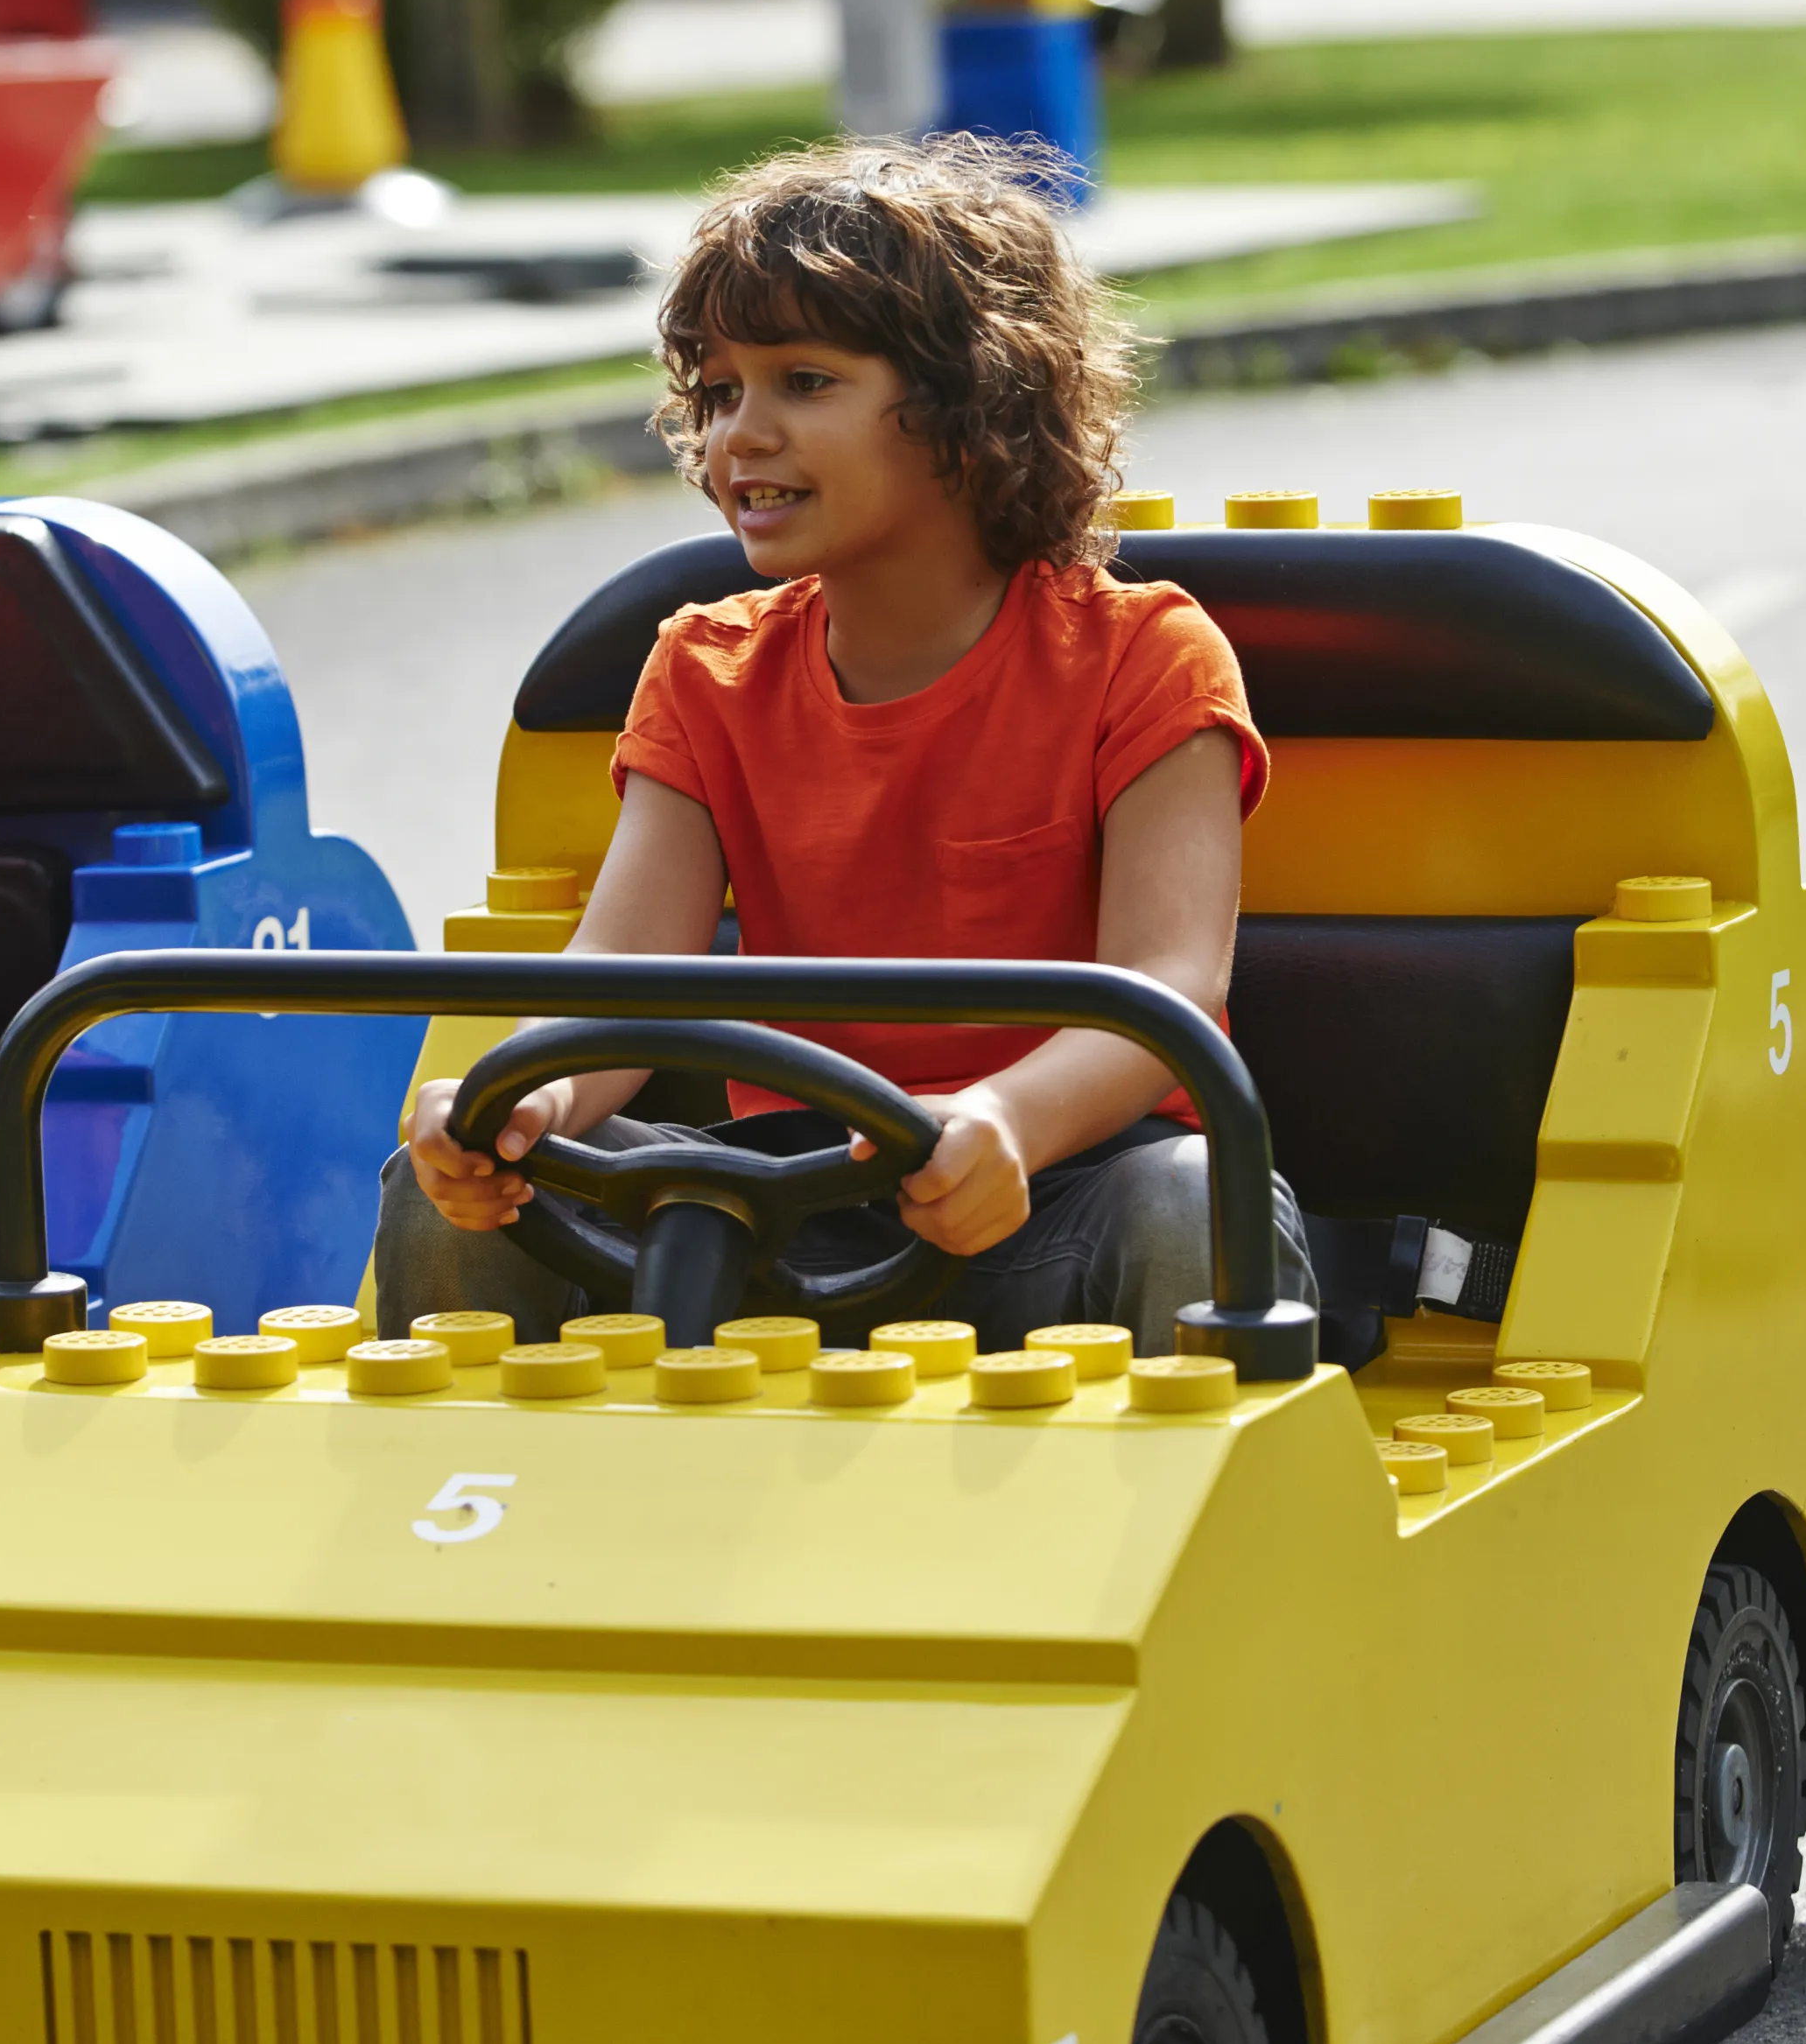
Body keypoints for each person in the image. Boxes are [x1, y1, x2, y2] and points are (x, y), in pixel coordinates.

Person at [378, 135, 1318, 1353]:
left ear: (972, 402)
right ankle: (482, 1529)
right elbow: (617, 984)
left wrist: (1002, 1124)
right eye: (718, 394)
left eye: (803, 382)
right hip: (785, 1208)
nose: (740, 438)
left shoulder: (1145, 656)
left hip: (1050, 1202)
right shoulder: (704, 669)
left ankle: (1201, 1527)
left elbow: (1163, 997)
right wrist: (520, 1106)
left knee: (1192, 1202)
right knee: (447, 1196)